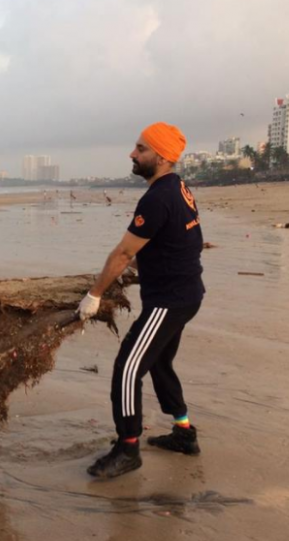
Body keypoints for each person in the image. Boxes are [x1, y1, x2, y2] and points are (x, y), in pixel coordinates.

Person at [79, 122, 205, 478]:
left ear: (162, 157)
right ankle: (183, 433)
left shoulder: (158, 197)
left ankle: (128, 448)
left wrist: (94, 295)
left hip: (169, 300)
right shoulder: (177, 187)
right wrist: (145, 263)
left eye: (140, 149)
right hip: (185, 293)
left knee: (127, 368)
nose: (132, 154)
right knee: (161, 364)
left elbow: (122, 253)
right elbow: (175, 242)